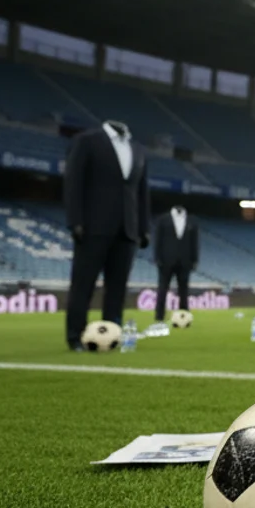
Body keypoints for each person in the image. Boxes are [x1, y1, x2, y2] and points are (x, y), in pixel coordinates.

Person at [64, 120, 150, 352]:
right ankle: (75, 336)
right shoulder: (87, 141)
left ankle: (113, 332)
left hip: (127, 229)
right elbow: (73, 181)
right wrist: (75, 220)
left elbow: (142, 191)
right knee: (83, 285)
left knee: (118, 288)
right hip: (93, 226)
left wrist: (143, 227)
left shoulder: (138, 149)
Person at [154, 205, 199, 322]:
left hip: (185, 261)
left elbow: (194, 242)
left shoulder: (191, 221)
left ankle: (184, 316)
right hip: (166, 261)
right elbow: (158, 239)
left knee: (184, 290)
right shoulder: (163, 219)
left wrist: (195, 260)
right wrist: (157, 258)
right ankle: (159, 316)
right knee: (162, 289)